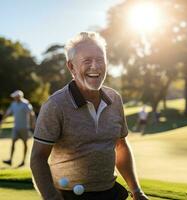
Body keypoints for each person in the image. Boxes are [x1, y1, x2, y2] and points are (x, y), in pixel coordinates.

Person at [30, 32, 149, 200]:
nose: (95, 66)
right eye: (87, 61)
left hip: (110, 193)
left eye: (100, 60)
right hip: (68, 195)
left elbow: (120, 146)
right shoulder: (55, 105)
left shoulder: (114, 99)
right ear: (71, 67)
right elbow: (38, 158)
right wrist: (51, 197)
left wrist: (136, 191)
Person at [0, 90, 35, 167]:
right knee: (13, 143)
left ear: (19, 97)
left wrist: (32, 124)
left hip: (24, 128)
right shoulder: (13, 104)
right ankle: (10, 160)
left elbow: (31, 114)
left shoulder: (26, 104)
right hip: (16, 127)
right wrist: (2, 121)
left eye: (15, 97)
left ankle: (23, 161)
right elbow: (8, 113)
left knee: (25, 144)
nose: (14, 98)